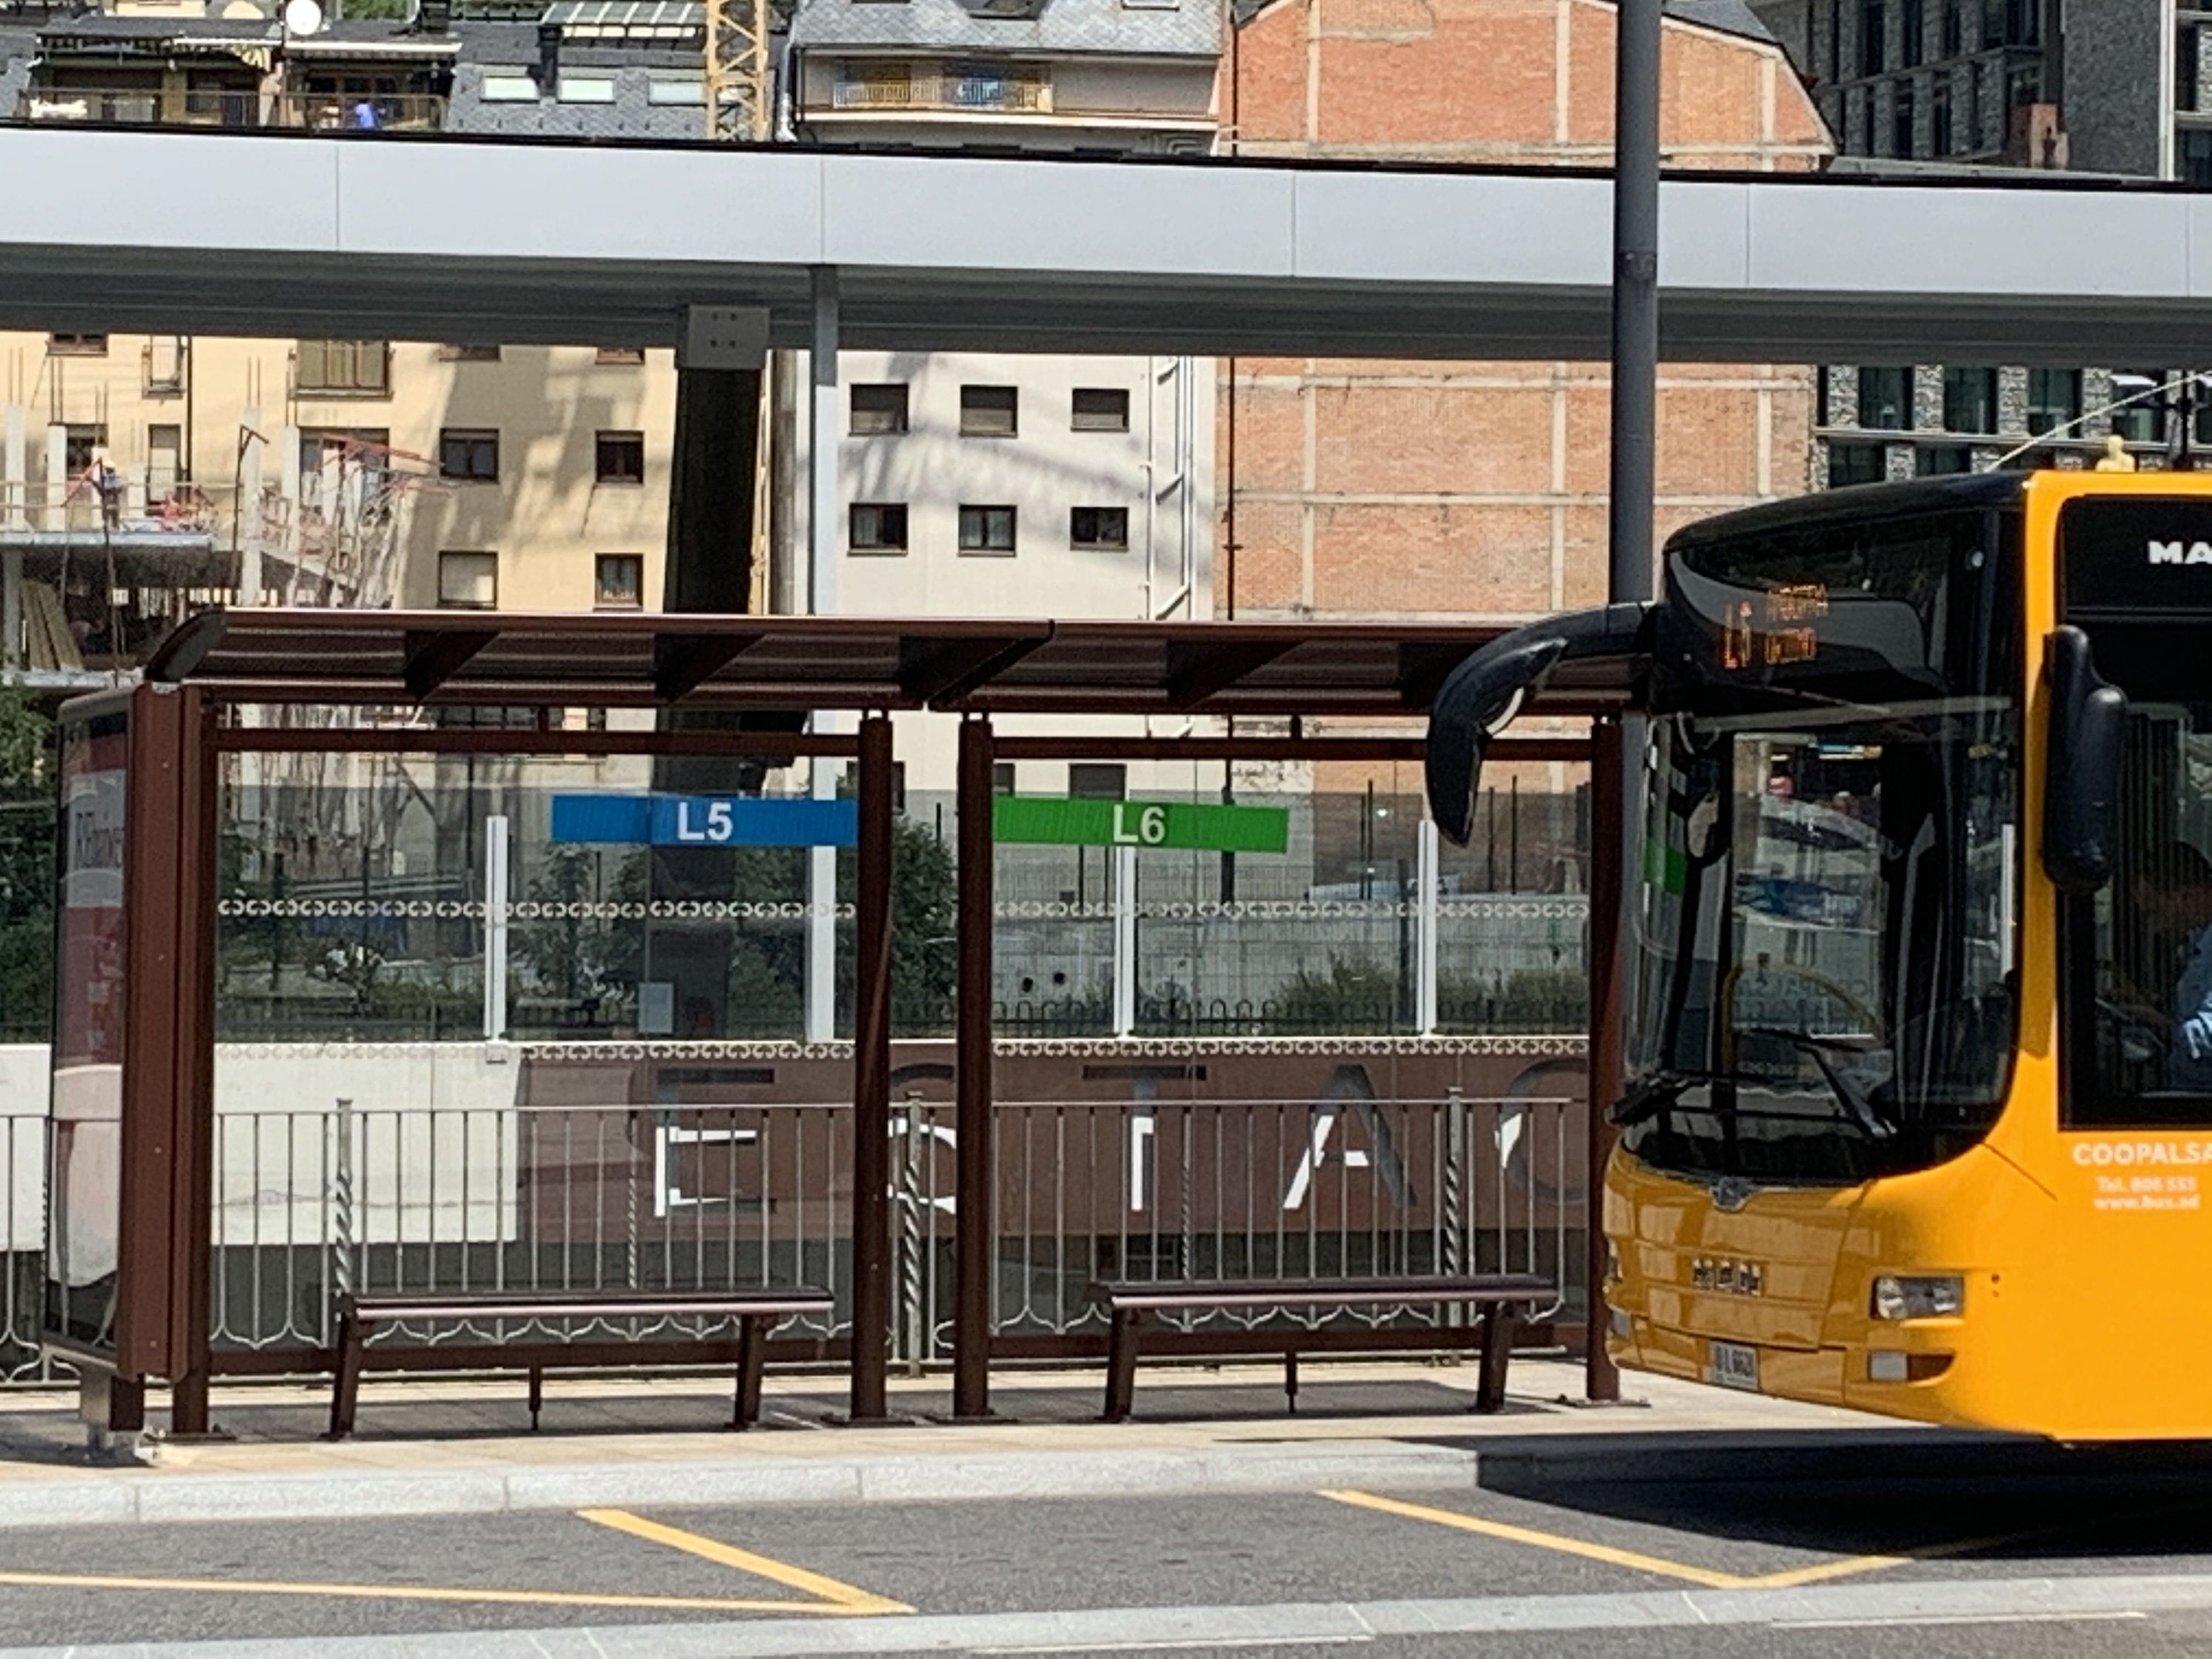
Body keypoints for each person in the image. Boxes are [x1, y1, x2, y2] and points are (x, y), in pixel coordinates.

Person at [2125, 842, 2212, 1090]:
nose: (2154, 926)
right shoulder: (2199, 942)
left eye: (2155, 912)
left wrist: (2163, 1025)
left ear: (2185, 896)